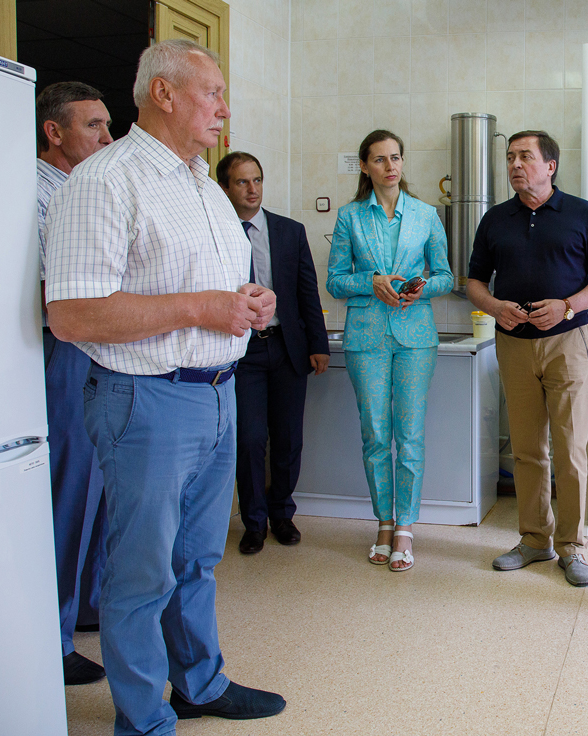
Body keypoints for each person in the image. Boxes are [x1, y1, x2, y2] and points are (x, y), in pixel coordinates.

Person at [44, 39, 286, 734]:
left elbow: (213, 288)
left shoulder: (204, 186)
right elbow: (73, 314)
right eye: (213, 93)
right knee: (142, 571)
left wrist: (248, 303)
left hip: (217, 393)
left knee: (197, 559)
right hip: (145, 399)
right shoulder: (105, 181)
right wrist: (205, 308)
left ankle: (199, 684)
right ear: (164, 93)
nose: (224, 108)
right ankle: (145, 717)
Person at [467, 130, 588, 588]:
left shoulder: (581, 214)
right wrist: (495, 306)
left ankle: (572, 546)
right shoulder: (496, 219)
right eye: (510, 157)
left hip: (568, 342)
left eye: (525, 157)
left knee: (570, 448)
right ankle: (535, 539)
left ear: (550, 165)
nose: (515, 164)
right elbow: (474, 282)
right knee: (528, 448)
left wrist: (568, 306)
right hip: (513, 344)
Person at [326, 129, 453, 572]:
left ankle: (405, 528)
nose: (390, 166)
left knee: (410, 434)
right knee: (376, 435)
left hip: (416, 337)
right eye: (379, 159)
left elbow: (445, 277)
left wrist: (421, 289)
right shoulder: (350, 216)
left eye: (395, 157)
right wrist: (371, 281)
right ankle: (383, 523)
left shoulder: (425, 214)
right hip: (366, 337)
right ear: (365, 166)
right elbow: (336, 281)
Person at [35, 80, 113, 686]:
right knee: (68, 488)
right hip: (60, 348)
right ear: (53, 131)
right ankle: (53, 638)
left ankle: (87, 605)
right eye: (94, 126)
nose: (108, 137)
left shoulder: (80, 191)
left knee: (96, 486)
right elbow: (48, 292)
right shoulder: (31, 195)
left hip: (98, 348)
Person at [217, 151, 330, 555]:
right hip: (241, 352)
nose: (252, 189)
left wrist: (318, 345)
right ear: (225, 188)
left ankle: (282, 514)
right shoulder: (216, 231)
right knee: (249, 440)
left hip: (286, 347)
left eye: (257, 180)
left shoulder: (289, 231)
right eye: (242, 182)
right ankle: (253, 522)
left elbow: (306, 291)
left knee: (287, 438)